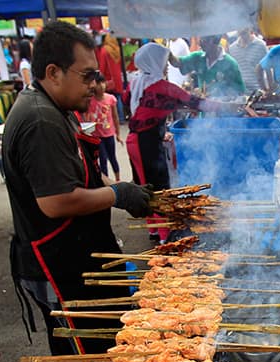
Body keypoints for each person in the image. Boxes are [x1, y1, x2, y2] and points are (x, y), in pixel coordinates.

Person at [2, 21, 151, 362]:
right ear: (53, 72)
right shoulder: (40, 120)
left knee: (98, 347)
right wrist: (117, 193)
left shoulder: (53, 106)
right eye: (86, 76)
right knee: (86, 354)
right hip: (60, 262)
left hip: (77, 254)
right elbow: (56, 202)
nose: (95, 86)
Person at [125, 42, 231, 243]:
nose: (166, 67)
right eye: (164, 62)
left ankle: (154, 230)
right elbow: (196, 102)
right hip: (144, 142)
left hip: (136, 139)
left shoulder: (137, 82)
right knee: (159, 186)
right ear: (154, 62)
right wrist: (229, 107)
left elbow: (131, 103)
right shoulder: (161, 86)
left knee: (144, 184)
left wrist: (159, 124)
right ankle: (166, 236)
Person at [170, 34, 246, 97]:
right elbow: (177, 63)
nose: (199, 43)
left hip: (223, 113)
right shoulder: (198, 57)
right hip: (203, 112)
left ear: (214, 41)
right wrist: (167, 53)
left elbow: (240, 92)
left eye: (203, 40)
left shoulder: (230, 64)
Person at [83, 72, 122, 180]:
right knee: (103, 160)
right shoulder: (90, 100)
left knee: (113, 158)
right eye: (98, 83)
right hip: (97, 136)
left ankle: (118, 180)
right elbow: (85, 116)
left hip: (109, 134)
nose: (101, 86)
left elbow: (115, 117)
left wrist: (118, 134)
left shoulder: (111, 98)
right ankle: (108, 182)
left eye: (103, 83)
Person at [228, 26, 267, 93]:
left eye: (245, 32)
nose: (242, 29)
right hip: (241, 92)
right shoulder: (232, 48)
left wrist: (268, 89)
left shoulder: (261, 45)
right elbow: (232, 72)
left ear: (250, 28)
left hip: (259, 91)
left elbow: (268, 68)